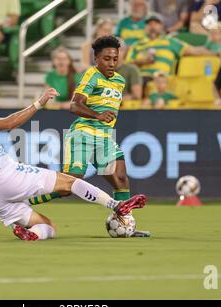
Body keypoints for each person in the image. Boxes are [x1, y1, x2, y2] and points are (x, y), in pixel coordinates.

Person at [0, 78, 147, 241]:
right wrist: (38, 103)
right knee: (70, 181)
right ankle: (117, 204)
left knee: (48, 226)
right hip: (8, 178)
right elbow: (9, 123)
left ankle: (32, 234)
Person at [28, 35, 151, 238]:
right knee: (68, 187)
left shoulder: (120, 81)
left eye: (115, 58)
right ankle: (27, 200)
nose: (112, 63)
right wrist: (98, 115)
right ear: (96, 58)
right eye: (106, 58)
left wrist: (105, 119)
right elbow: (74, 105)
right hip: (82, 135)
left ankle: (126, 224)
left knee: (120, 178)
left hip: (104, 138)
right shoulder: (91, 75)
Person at [126, 14, 213, 86]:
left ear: (161, 26)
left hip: (163, 80)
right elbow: (127, 65)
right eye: (149, 24)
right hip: (140, 80)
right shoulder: (136, 45)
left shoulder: (170, 41)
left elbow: (195, 50)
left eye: (156, 23)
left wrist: (216, 53)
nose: (152, 26)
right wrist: (141, 61)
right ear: (145, 27)